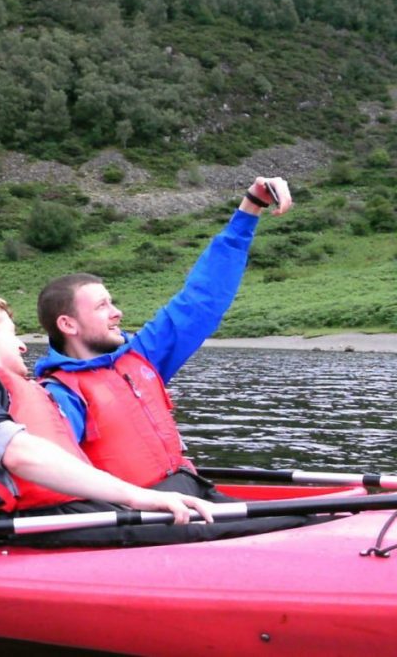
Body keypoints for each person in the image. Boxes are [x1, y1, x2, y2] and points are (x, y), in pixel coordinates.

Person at [34, 177, 293, 499]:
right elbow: (46, 466)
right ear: (68, 325)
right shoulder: (58, 396)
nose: (117, 313)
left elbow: (202, 298)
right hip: (140, 515)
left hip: (187, 492)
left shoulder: (142, 356)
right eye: (102, 306)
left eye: (112, 302)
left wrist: (250, 206)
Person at [0, 288, 217, 544]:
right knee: (227, 528)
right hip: (31, 524)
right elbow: (19, 455)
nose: (21, 345)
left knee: (222, 515)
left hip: (69, 510)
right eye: (13, 333)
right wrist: (137, 497)